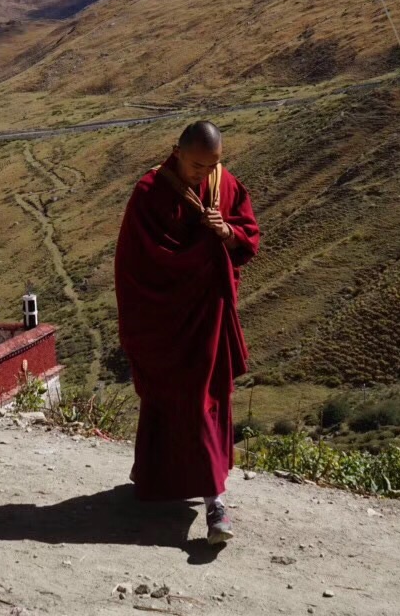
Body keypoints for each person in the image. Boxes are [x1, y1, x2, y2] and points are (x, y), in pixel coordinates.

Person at [114, 119, 259, 545]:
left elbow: (247, 236)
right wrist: (200, 250)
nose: (204, 174)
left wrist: (226, 232)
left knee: (205, 401)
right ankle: (158, 478)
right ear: (177, 152)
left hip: (208, 316)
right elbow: (137, 265)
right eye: (197, 166)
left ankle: (216, 502)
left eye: (212, 165)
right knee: (170, 400)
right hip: (167, 321)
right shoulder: (148, 194)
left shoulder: (222, 183)